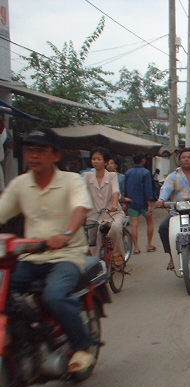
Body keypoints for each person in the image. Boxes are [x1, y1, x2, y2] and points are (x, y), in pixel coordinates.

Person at [0, 127, 95, 372]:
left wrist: (65, 235)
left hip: (66, 255)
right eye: (30, 150)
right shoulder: (20, 184)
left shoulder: (71, 180)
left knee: (55, 296)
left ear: (56, 155)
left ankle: (82, 346)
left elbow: (80, 209)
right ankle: (23, 338)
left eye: (41, 150)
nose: (34, 155)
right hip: (29, 256)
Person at [84, 147, 126, 264]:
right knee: (92, 239)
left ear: (105, 162)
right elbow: (81, 192)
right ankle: (94, 264)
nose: (95, 161)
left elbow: (115, 191)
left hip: (113, 213)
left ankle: (118, 256)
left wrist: (114, 204)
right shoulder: (87, 176)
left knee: (115, 229)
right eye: (93, 159)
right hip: (94, 214)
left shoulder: (112, 176)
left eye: (99, 159)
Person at [124, 152, 156, 254]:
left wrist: (125, 201)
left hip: (132, 202)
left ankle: (136, 247)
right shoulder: (146, 172)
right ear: (143, 160)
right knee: (149, 222)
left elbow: (125, 188)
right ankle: (149, 244)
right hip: (144, 203)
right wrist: (150, 204)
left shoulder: (128, 172)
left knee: (134, 225)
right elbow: (148, 189)